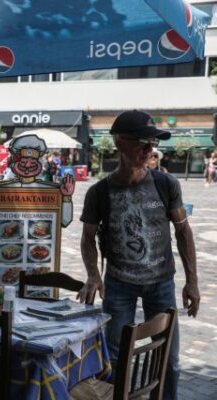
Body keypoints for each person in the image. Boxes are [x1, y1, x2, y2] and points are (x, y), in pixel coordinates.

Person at [78, 110, 199, 400]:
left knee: (168, 359)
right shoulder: (99, 192)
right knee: (114, 358)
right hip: (118, 285)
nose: (149, 149)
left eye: (152, 143)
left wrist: (192, 281)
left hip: (161, 283)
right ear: (119, 142)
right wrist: (93, 275)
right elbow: (88, 237)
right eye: (142, 142)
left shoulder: (166, 184)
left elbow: (183, 231)